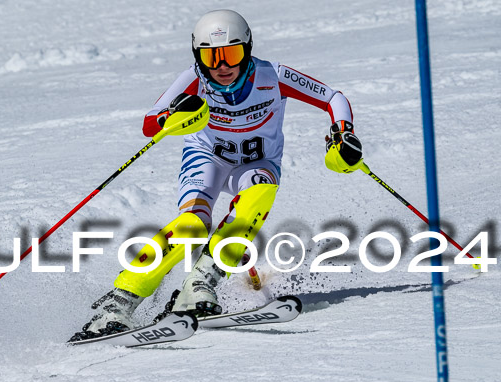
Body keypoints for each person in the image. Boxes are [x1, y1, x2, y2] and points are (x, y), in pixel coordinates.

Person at [71, 9, 364, 341]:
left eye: (232, 54)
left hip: (256, 163)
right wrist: (173, 113)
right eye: (212, 57)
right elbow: (149, 123)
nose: (223, 66)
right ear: (199, 56)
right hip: (206, 160)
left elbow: (332, 98)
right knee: (192, 225)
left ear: (248, 50)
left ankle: (200, 283)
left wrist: (342, 133)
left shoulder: (274, 76)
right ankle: (120, 300)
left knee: (261, 191)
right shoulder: (193, 79)